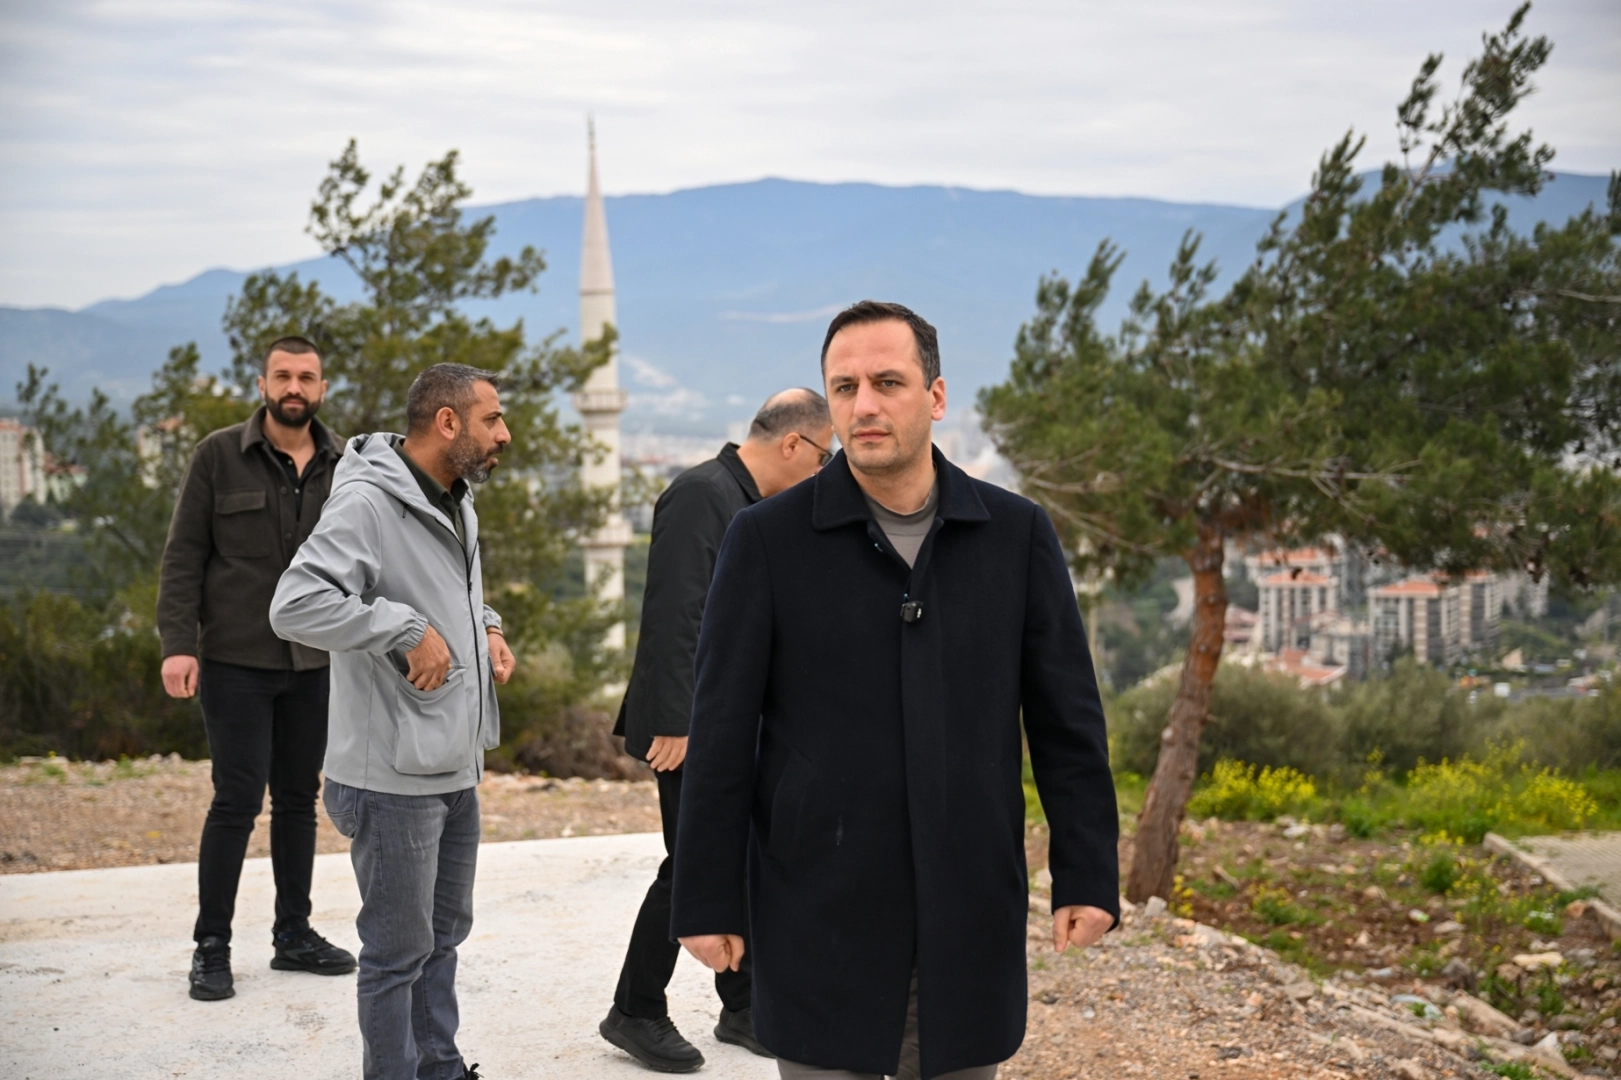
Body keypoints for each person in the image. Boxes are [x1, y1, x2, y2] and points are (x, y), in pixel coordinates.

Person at [670, 301, 1120, 1080]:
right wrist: (706, 898)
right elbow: (721, 731)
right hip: (817, 910)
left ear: (935, 397)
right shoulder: (766, 540)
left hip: (967, 908)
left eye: (887, 382)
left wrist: (1086, 873)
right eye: (844, 388)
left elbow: (1066, 723)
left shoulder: (1015, 535)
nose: (864, 406)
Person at [269, 363, 517, 1080]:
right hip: (390, 777)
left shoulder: (454, 496)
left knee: (443, 938)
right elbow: (294, 605)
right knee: (395, 955)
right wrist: (403, 629)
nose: (504, 433)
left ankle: (439, 1068)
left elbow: (446, 589)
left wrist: (486, 624)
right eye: (492, 419)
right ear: (447, 422)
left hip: (453, 762)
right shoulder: (367, 503)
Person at [601, 388, 835, 1073]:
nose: (823, 471)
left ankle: (743, 1007)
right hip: (689, 725)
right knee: (692, 864)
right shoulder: (701, 493)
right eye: (823, 457)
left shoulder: (749, 503)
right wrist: (677, 723)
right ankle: (635, 1008)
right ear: (792, 444)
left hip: (731, 720)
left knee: (741, 856)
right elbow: (675, 613)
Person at [156, 335, 356, 1002]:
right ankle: (211, 946)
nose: (294, 387)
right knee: (236, 801)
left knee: (299, 799)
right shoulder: (217, 455)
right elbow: (184, 555)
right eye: (283, 375)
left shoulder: (345, 465)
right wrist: (177, 643)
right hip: (235, 659)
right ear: (263, 384)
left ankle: (293, 934)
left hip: (315, 661)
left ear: (321, 388)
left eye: (306, 377)